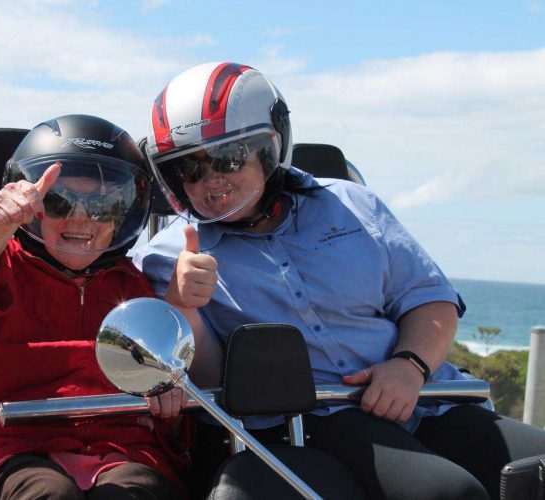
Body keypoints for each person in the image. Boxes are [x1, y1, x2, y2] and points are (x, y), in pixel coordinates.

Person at [133, 62, 545, 499]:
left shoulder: (352, 204)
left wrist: (409, 366)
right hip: (312, 418)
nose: (211, 182)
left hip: (428, 396)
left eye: (228, 159)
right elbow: (213, 384)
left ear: (272, 147)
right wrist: (183, 307)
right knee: (450, 493)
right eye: (188, 170)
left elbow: (430, 299)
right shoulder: (165, 256)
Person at [0, 115, 187, 500]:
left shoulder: (130, 285)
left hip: (121, 446)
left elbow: (162, 372)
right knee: (49, 495)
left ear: (124, 213)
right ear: (32, 207)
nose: (81, 218)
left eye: (104, 205)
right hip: (13, 443)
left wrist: (168, 392)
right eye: (58, 201)